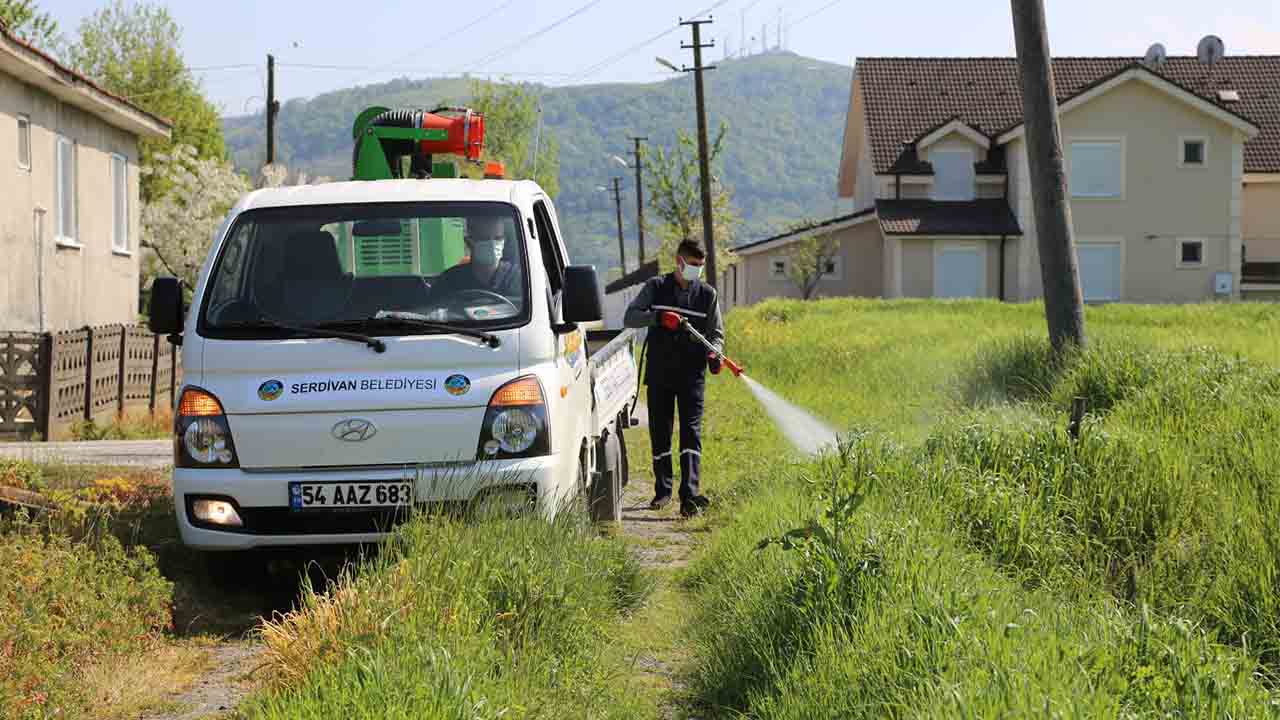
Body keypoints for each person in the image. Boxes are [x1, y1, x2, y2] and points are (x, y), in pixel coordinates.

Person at [624, 240, 725, 518]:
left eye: (700, 267)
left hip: (692, 376)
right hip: (660, 373)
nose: (697, 271)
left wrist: (715, 355)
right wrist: (657, 317)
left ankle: (689, 496)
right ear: (679, 262)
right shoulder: (655, 288)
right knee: (661, 432)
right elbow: (630, 317)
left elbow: (715, 333)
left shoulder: (707, 295)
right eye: (693, 265)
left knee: (691, 433)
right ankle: (663, 491)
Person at [425, 215, 520, 302]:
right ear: (468, 242)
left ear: (504, 240)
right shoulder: (448, 282)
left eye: (498, 238)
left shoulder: (518, 278)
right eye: (484, 239)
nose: (492, 244)